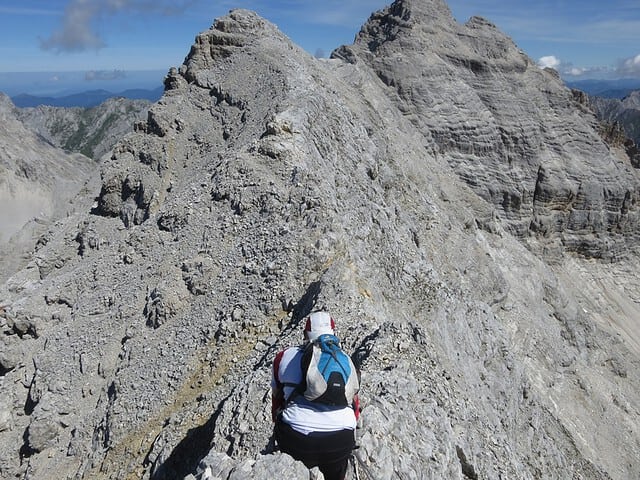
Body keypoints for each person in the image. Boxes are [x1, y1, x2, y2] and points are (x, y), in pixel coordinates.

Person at [271, 311, 361, 480]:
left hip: (296, 438)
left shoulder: (283, 357)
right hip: (340, 440)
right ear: (333, 334)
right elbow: (355, 407)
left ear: (305, 334)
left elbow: (277, 400)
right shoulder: (345, 360)